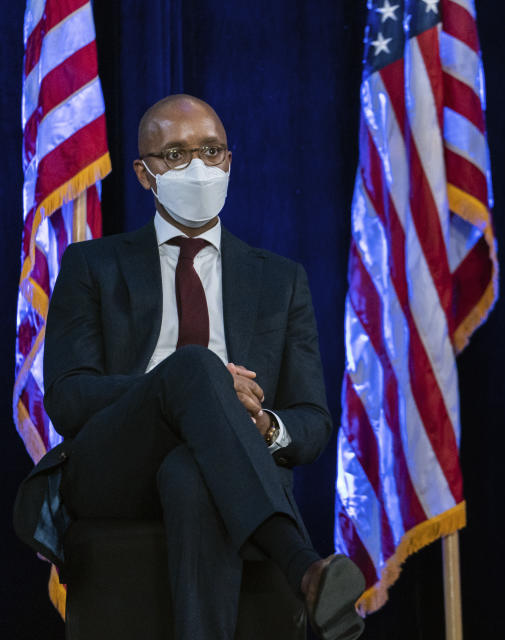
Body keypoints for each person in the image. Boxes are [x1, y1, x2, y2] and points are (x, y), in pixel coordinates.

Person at [13, 94, 364, 640]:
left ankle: (301, 577)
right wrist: (184, 385)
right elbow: (67, 398)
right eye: (174, 155)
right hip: (112, 469)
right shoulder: (92, 266)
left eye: (210, 150)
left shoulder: (280, 280)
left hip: (223, 463)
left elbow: (313, 422)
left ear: (229, 161)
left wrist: (264, 425)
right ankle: (303, 564)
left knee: (191, 472)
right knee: (197, 367)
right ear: (144, 174)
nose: (197, 166)